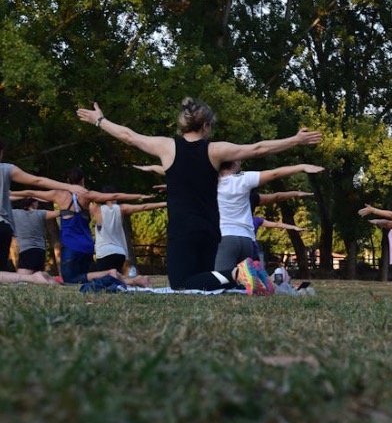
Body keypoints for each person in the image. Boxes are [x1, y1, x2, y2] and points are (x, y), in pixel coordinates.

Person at [76, 98, 322, 290]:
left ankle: (239, 273)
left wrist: (100, 120)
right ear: (205, 126)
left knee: (181, 284)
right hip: (210, 230)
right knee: (207, 283)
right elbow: (257, 149)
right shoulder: (215, 150)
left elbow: (128, 136)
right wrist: (295, 140)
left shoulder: (166, 146)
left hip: (183, 230)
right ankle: (251, 277)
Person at [15, 169, 153, 285]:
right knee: (85, 279)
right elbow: (114, 195)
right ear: (83, 181)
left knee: (70, 280)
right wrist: (140, 195)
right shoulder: (88, 195)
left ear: (68, 181)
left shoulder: (58, 194)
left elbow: (30, 193)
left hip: (71, 246)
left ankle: (111, 274)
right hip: (87, 246)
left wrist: (9, 194)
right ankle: (133, 280)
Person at [214, 161, 323, 274]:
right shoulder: (244, 182)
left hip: (225, 237)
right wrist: (301, 169)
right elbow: (274, 183)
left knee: (222, 279)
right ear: (235, 163)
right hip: (247, 239)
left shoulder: (208, 183)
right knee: (246, 282)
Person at [0, 140, 88, 275]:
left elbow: (28, 193)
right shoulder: (6, 169)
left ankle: (32, 279)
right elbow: (37, 181)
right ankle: (36, 278)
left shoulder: (19, 212)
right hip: (4, 227)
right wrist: (69, 187)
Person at [89, 186, 164, 286]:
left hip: (104, 253)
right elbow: (144, 207)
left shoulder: (96, 209)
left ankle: (138, 280)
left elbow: (79, 204)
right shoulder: (121, 208)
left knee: (105, 283)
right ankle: (138, 280)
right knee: (116, 281)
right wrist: (166, 203)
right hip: (120, 253)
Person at [10, 197, 59, 275]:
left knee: (23, 280)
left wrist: (21, 196)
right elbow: (60, 212)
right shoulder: (41, 213)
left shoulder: (14, 213)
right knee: (37, 279)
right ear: (34, 203)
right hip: (41, 251)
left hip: (26, 250)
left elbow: (3, 203)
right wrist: (48, 199)